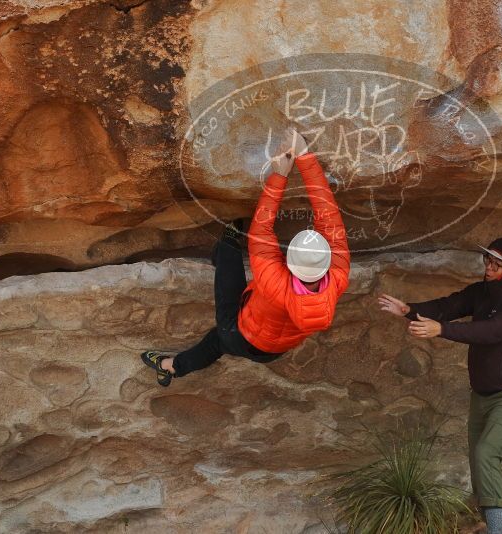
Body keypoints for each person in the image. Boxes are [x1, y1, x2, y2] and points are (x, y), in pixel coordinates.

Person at [141, 130, 350, 385]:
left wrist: (282, 171)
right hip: (274, 351)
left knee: (229, 250)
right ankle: (170, 367)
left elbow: (261, 228)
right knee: (216, 342)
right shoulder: (337, 278)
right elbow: (329, 216)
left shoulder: (274, 279)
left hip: (240, 333)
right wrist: (305, 157)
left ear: (290, 261)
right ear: (327, 260)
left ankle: (170, 365)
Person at [378, 238, 502, 534]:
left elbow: (491, 331)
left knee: (487, 452)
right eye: (487, 260)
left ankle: (498, 531)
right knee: (478, 460)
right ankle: (490, 523)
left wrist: (442, 330)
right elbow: (446, 305)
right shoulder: (480, 292)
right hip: (482, 393)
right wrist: (409, 311)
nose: (489, 266)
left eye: (498, 263)